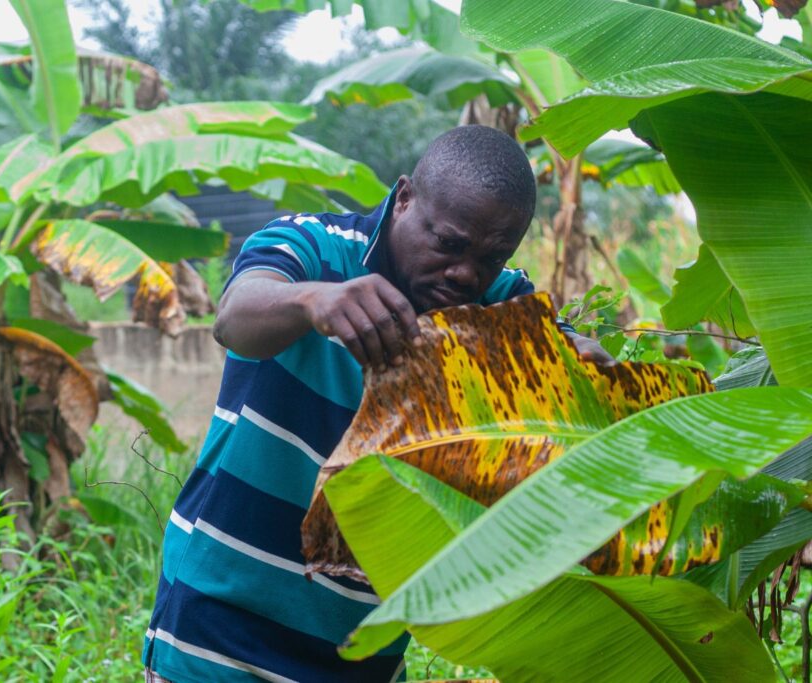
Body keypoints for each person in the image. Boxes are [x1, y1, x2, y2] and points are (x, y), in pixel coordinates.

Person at [142, 125, 611, 682]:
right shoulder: (313, 246)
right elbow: (234, 319)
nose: (466, 272)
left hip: (365, 654)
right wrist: (312, 300)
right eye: (449, 244)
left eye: (492, 256)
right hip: (219, 635)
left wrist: (587, 371)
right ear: (404, 197)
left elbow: (568, 362)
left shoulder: (501, 303)